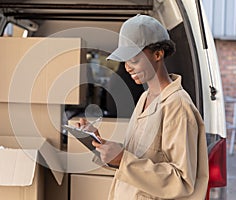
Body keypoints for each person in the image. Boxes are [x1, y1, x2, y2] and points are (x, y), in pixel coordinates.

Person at [76, 14, 209, 199]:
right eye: (125, 60)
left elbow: (182, 181)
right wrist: (100, 143)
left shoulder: (177, 106)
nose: (128, 67)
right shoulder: (145, 97)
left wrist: (123, 159)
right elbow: (141, 156)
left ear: (158, 54)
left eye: (134, 59)